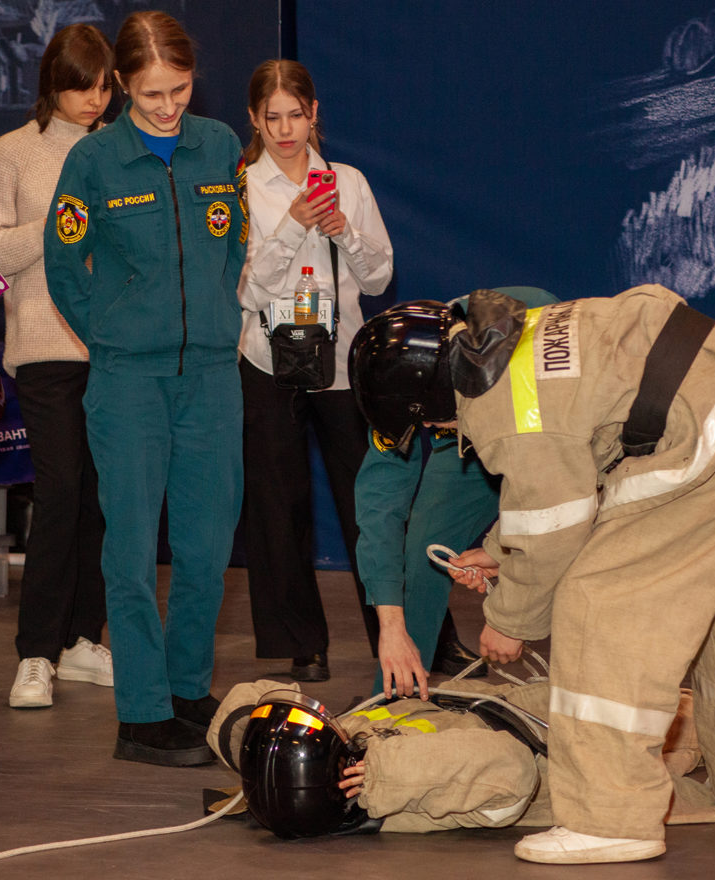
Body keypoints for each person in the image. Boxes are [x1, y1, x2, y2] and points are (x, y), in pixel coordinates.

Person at [352, 285, 715, 864]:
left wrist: (508, 620)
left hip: (706, 436)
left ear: (427, 397)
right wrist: (498, 550)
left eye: (432, 426)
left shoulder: (498, 407)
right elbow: (574, 457)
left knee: (599, 611)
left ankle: (611, 819)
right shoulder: (513, 333)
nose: (441, 434)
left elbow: (553, 528)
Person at [43, 10, 247, 767]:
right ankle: (142, 712)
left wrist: (219, 319)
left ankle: (189, 689)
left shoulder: (219, 145)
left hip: (211, 375)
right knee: (130, 549)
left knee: (204, 546)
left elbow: (233, 246)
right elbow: (64, 266)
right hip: (129, 378)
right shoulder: (93, 163)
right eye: (153, 93)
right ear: (123, 85)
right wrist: (114, 333)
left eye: (180, 89)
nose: (168, 107)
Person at [0, 23, 115, 709]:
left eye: (103, 84)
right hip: (44, 348)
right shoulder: (14, 152)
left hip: (116, 350)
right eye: (81, 85)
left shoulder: (122, 149)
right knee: (57, 497)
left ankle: (85, 639)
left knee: (103, 500)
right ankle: (35, 653)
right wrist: (62, 216)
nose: (94, 98)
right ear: (52, 84)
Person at [235, 59, 392, 682]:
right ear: (253, 119)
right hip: (267, 357)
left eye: (295, 115)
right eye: (270, 118)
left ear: (314, 112)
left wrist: (344, 232)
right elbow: (245, 292)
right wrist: (290, 228)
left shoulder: (348, 181)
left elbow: (380, 277)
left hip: (342, 356)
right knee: (280, 504)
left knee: (369, 502)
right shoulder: (242, 186)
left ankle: (402, 634)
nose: (284, 129)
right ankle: (302, 643)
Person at [350, 287, 558, 701]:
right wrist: (390, 626)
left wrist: (511, 613)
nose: (421, 432)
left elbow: (553, 499)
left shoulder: (526, 349)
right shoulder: (402, 375)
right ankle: (396, 702)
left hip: (545, 427)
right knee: (424, 550)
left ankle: (592, 704)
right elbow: (380, 506)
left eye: (423, 421)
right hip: (459, 432)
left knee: (581, 553)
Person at [205, 679, 715, 838]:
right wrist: (381, 771)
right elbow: (508, 774)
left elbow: (245, 700)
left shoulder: (292, 760)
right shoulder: (387, 793)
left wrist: (259, 726)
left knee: (678, 687)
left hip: (507, 704)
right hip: (568, 753)